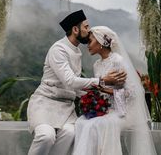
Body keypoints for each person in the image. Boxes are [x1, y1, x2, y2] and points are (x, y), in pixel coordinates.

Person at [27, 11, 126, 155]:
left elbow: (76, 88)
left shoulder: (77, 51)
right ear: (75, 30)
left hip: (67, 107)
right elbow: (70, 81)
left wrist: (99, 94)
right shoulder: (58, 49)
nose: (89, 30)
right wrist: (103, 81)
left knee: (70, 134)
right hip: (45, 102)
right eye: (86, 27)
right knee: (45, 136)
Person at [73, 26, 157, 155]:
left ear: (101, 42)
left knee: (97, 124)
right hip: (106, 109)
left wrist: (107, 91)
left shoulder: (118, 61)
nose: (88, 45)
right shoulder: (97, 64)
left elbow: (133, 93)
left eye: (90, 41)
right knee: (81, 122)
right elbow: (100, 88)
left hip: (124, 111)